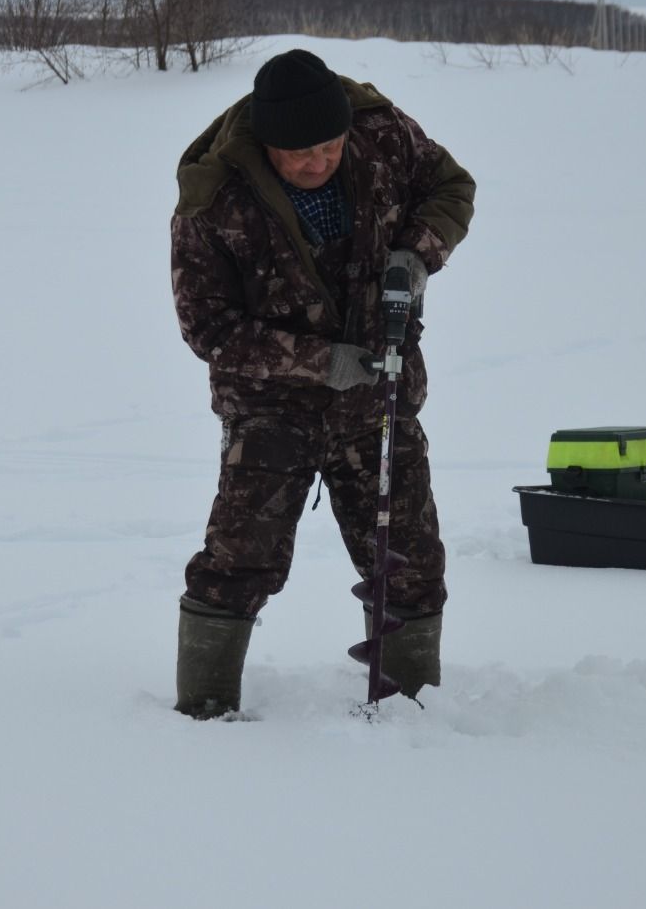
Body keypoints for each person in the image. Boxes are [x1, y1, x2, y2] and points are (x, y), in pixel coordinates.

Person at [169, 49, 475, 718]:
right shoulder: (213, 196)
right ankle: (203, 717)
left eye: (330, 146)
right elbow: (210, 330)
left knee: (411, 562)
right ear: (265, 141)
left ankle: (416, 710)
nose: (318, 162)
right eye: (299, 152)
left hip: (382, 396)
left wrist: (414, 255)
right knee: (239, 562)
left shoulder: (382, 132)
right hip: (272, 410)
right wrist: (318, 361)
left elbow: (453, 187)